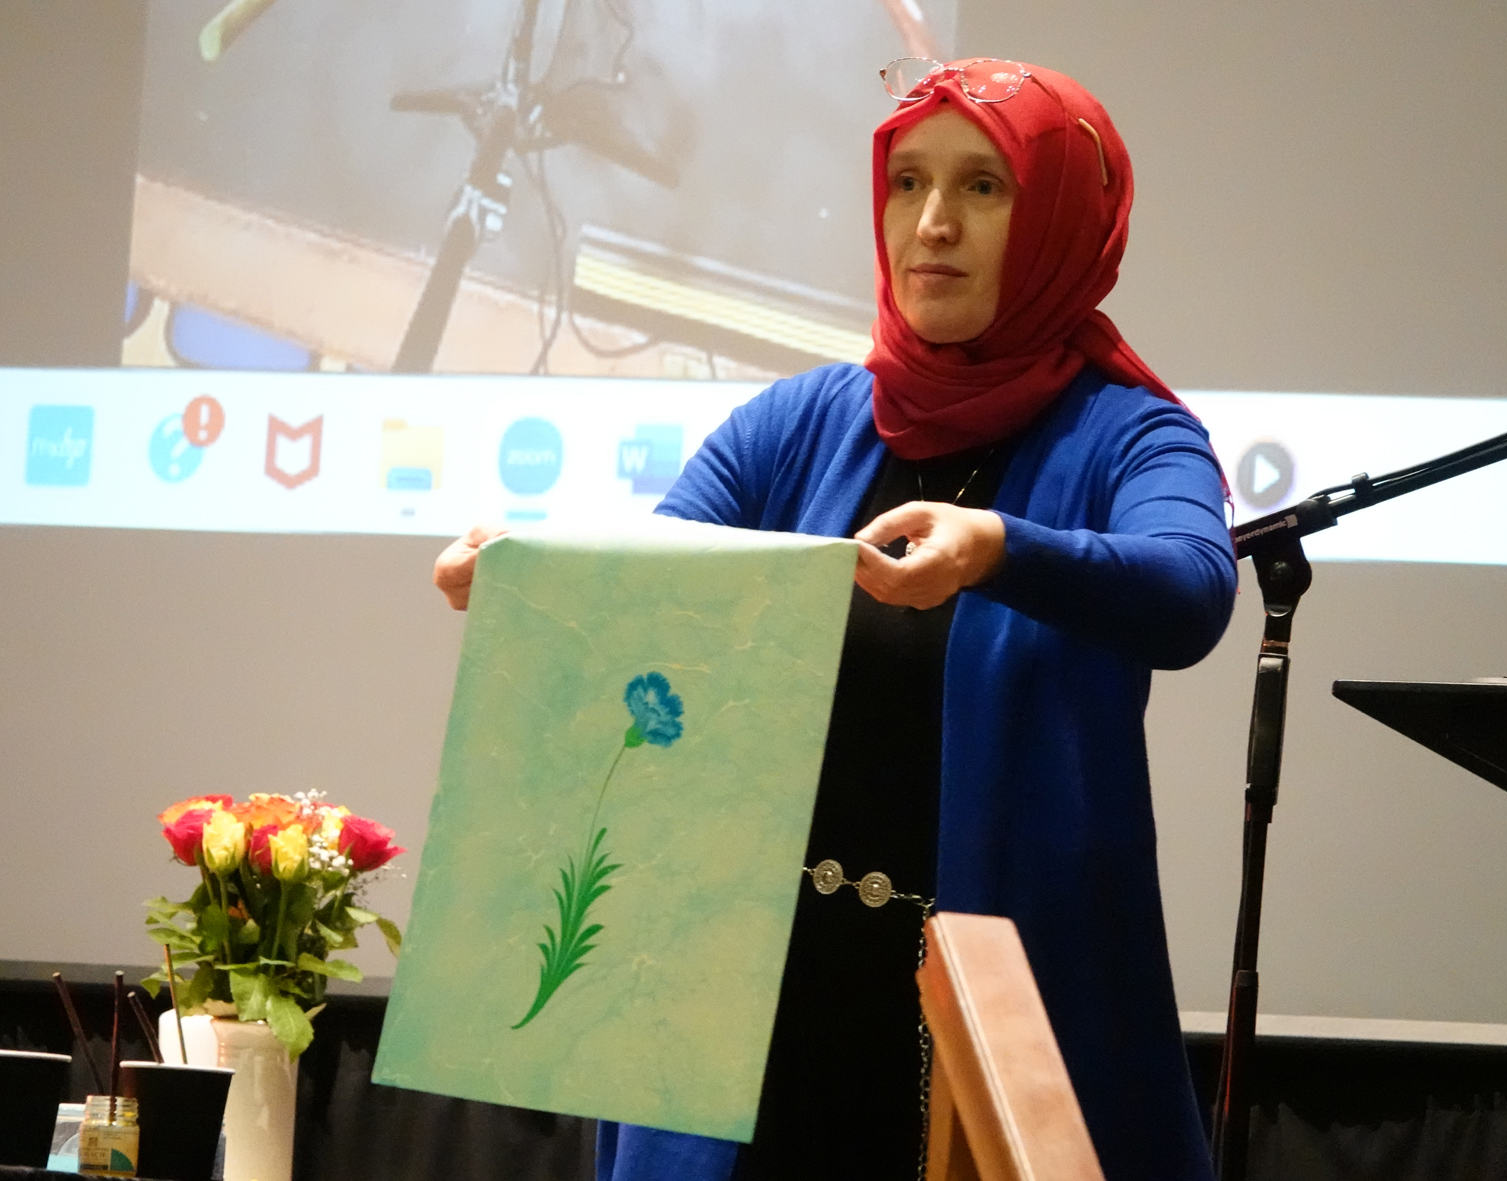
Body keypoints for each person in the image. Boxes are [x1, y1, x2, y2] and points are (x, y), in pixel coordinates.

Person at [434, 57, 1234, 1181]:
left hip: (980, 1014)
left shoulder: (1128, 436)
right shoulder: (802, 422)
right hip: (743, 1005)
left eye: (983, 188)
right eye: (906, 183)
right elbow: (665, 568)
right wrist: (527, 573)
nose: (932, 224)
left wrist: (998, 549)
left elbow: (1190, 585)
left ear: (1061, 216)